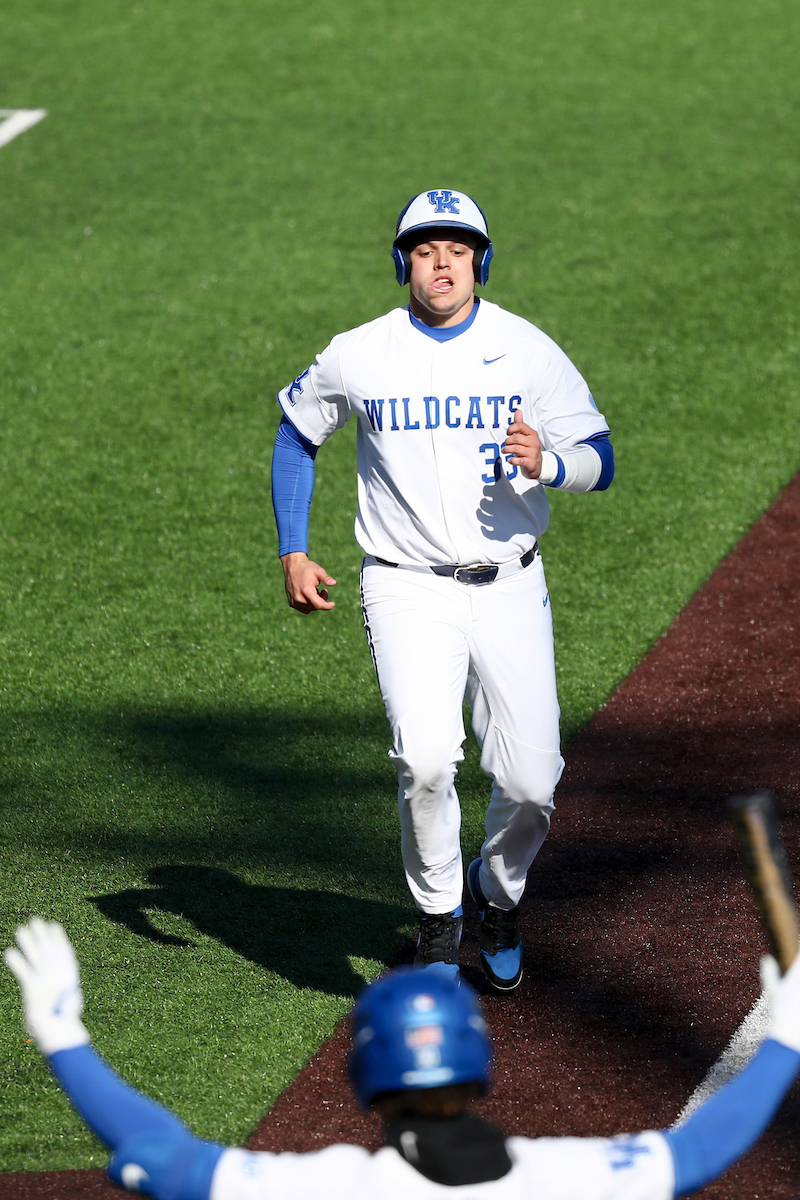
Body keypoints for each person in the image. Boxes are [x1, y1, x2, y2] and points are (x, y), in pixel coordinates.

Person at [271, 189, 614, 990]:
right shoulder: (360, 352)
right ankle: (436, 916)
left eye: (457, 250)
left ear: (479, 262)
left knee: (532, 781)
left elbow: (600, 456)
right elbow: (296, 431)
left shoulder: (526, 350)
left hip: (508, 587)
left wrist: (548, 464)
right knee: (424, 759)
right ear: (404, 264)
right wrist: (293, 547)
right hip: (404, 588)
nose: (442, 264)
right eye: (425, 251)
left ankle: (498, 894)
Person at [6, 917, 800, 1199]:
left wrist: (65, 1039)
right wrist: (786, 1040)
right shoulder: (569, 1179)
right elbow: (699, 1150)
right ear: (478, 1058)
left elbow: (161, 1159)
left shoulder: (327, 1187)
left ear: (366, 1075)